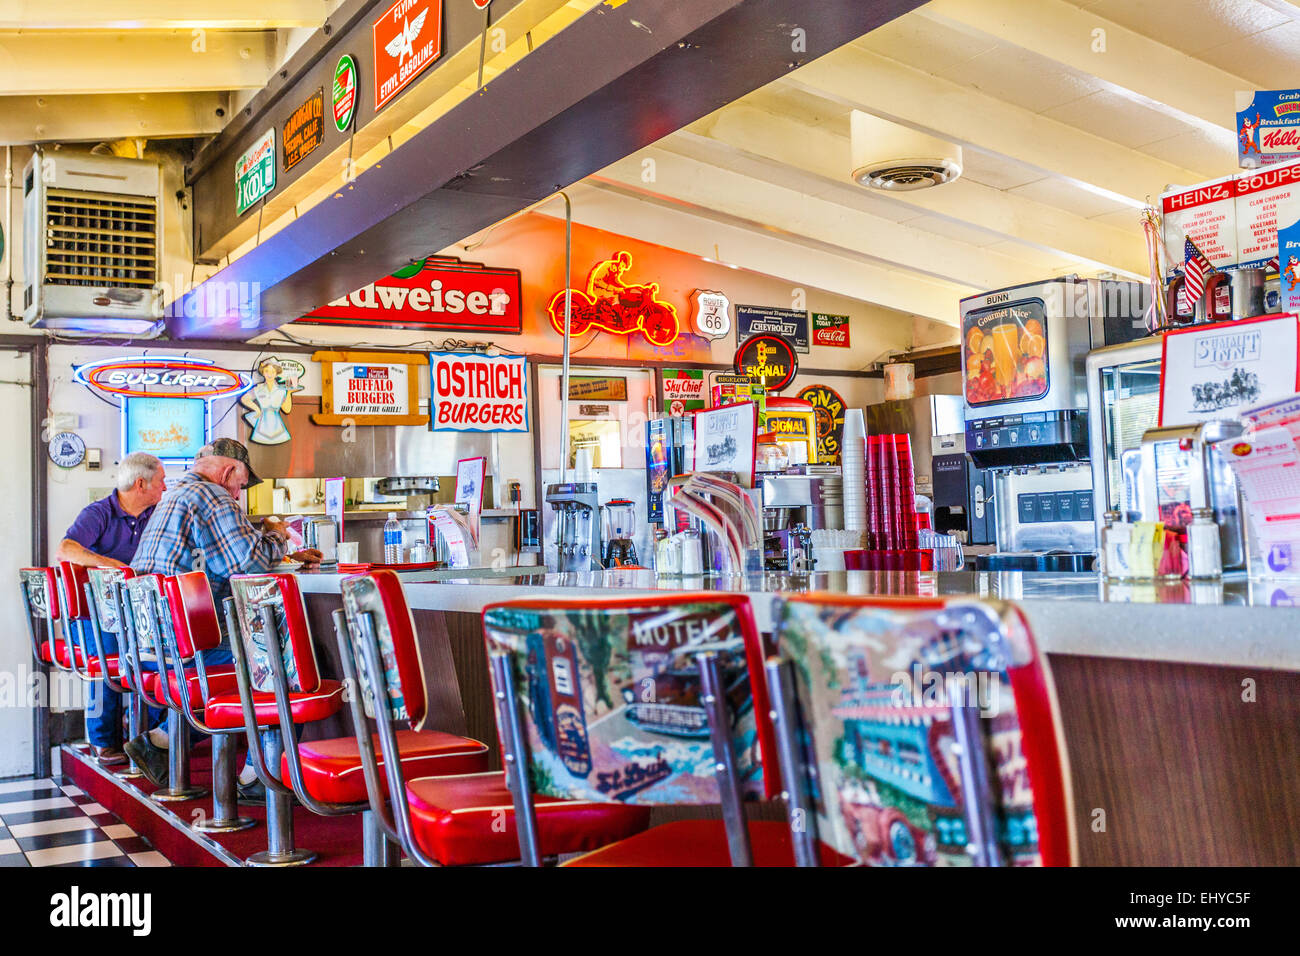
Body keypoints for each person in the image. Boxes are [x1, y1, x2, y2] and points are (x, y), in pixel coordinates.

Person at [126, 438, 321, 797]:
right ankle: (261, 776)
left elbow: (224, 561)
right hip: (189, 644)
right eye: (241, 485)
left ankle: (162, 741)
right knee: (284, 659)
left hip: (151, 640)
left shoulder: (173, 495)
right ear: (229, 471)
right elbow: (247, 563)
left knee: (255, 651)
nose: (238, 494)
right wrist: (277, 534)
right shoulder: (212, 497)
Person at [58, 453, 167, 766]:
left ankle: (152, 738)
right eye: (160, 481)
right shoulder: (99, 512)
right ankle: (103, 740)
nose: (164, 488)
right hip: (94, 615)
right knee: (110, 658)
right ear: (140, 483)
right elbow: (66, 549)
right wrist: (117, 567)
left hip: (138, 611)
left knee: (160, 655)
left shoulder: (156, 514)